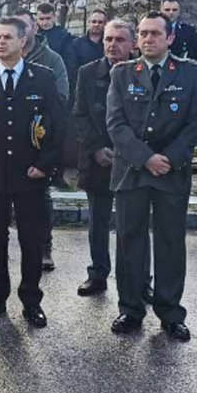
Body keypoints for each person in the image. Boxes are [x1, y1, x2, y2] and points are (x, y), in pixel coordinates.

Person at [105, 12, 197, 342]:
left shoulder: (191, 73)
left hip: (171, 172)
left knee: (170, 243)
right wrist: (146, 158)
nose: (148, 39)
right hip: (132, 171)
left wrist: (169, 159)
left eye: (155, 34)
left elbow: (195, 124)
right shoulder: (122, 74)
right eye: (143, 34)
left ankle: (171, 313)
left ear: (170, 38)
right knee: (129, 241)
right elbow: (116, 124)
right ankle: (131, 309)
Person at [0, 16, 64, 325]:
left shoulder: (43, 78)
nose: (1, 42)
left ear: (23, 41)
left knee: (31, 241)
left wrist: (44, 166)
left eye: (8, 37)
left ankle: (31, 301)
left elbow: (57, 126)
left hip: (29, 174)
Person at [72, 18, 135, 296]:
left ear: (132, 44)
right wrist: (96, 148)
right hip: (98, 160)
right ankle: (98, 274)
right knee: (98, 222)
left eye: (120, 39)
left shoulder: (141, 72)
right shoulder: (87, 73)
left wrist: (128, 152)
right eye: (109, 39)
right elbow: (79, 115)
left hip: (133, 161)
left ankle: (137, 280)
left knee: (133, 224)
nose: (112, 45)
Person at [13, 9, 69, 267]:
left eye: (26, 27)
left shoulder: (52, 59)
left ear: (35, 29)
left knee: (40, 198)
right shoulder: (2, 55)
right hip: (8, 141)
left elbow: (61, 97)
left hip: (38, 138)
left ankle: (44, 247)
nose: (21, 33)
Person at [64, 10, 107, 101]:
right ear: (89, 23)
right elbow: (72, 70)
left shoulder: (109, 44)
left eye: (100, 22)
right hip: (83, 91)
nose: (96, 24)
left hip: (105, 91)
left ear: (105, 24)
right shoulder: (76, 44)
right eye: (94, 21)